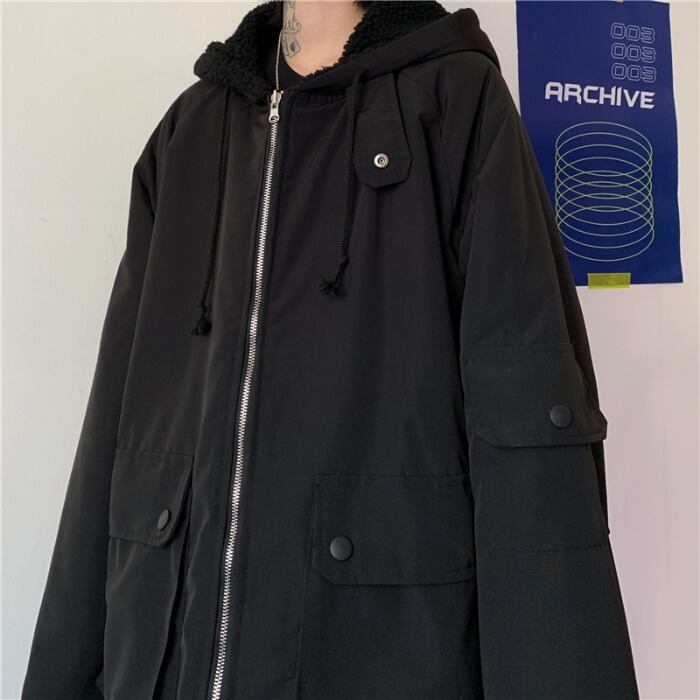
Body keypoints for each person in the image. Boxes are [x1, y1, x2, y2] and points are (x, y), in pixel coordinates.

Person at [22, 1, 639, 698]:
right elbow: (118, 420)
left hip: (378, 651)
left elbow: (528, 426)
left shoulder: (455, 103)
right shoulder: (188, 132)